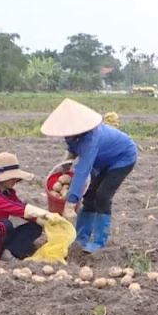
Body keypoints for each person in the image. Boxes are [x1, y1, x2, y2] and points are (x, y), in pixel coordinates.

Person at [41, 98, 137, 253]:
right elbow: (72, 149)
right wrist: (67, 162)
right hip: (101, 160)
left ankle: (99, 241)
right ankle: (81, 238)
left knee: (103, 196)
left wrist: (71, 203)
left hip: (123, 158)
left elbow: (82, 171)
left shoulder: (91, 138)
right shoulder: (71, 134)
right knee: (89, 195)